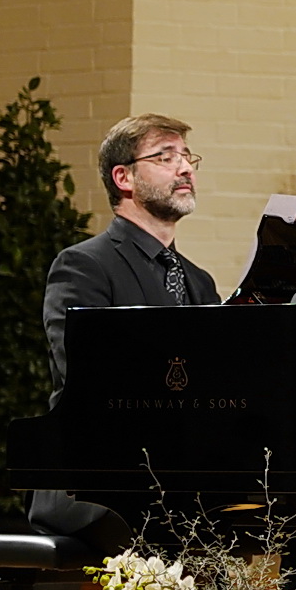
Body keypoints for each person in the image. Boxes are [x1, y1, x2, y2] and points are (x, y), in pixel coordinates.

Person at [34, 114, 219, 550]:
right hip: (94, 478)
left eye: (187, 157)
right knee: (190, 524)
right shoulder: (84, 265)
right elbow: (88, 373)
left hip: (176, 478)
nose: (185, 168)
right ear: (124, 178)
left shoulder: (200, 282)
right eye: (165, 157)